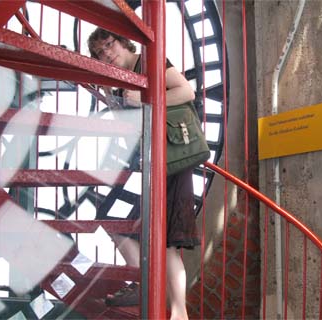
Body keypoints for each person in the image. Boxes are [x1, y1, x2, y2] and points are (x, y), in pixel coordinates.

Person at [88, 28, 200, 320]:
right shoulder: (115, 81)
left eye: (108, 45)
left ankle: (179, 313)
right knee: (112, 218)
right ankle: (142, 280)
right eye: (99, 52)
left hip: (173, 161)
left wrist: (146, 99)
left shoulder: (148, 61)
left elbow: (187, 91)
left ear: (122, 42)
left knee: (168, 244)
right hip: (145, 163)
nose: (106, 53)